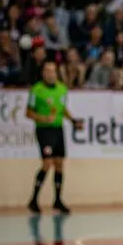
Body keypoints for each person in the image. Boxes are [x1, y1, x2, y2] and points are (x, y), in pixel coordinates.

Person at [26, 62, 83, 214]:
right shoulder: (36, 90)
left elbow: (62, 109)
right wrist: (42, 118)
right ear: (43, 73)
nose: (50, 74)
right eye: (47, 71)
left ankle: (57, 200)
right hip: (44, 130)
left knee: (59, 164)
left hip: (58, 129)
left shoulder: (62, 89)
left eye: (53, 71)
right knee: (47, 163)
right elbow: (28, 113)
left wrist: (73, 121)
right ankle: (33, 200)